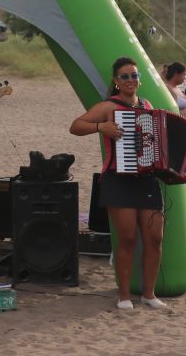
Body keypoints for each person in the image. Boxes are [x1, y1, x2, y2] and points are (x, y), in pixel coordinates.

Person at [69, 57, 168, 310]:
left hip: (146, 180)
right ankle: (124, 296)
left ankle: (149, 294)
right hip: (118, 180)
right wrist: (101, 126)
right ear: (116, 81)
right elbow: (76, 126)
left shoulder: (147, 106)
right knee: (127, 238)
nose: (130, 80)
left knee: (155, 238)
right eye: (125, 76)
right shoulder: (108, 106)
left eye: (134, 75)